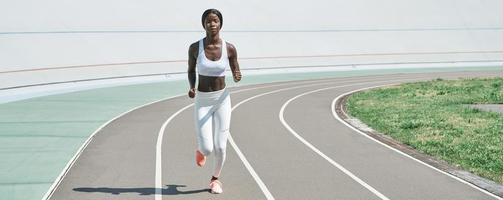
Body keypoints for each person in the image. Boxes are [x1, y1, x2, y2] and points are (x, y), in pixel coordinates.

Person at [187, 8, 242, 194]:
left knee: (220, 145)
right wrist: (192, 86)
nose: (212, 24)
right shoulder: (195, 48)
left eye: (215, 20)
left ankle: (215, 179)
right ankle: (201, 151)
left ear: (220, 23)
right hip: (202, 100)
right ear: (203, 24)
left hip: (222, 100)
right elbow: (190, 70)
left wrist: (236, 75)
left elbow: (236, 69)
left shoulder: (230, 48)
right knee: (207, 148)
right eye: (208, 21)